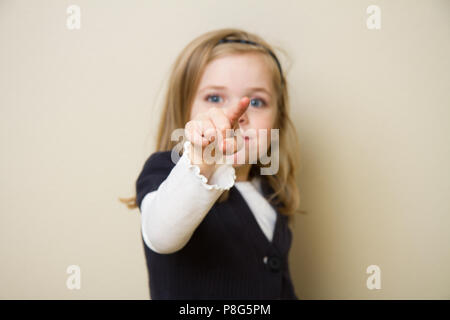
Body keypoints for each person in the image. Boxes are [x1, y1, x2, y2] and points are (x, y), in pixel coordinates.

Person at [122, 28, 302, 299]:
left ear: (277, 120)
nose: (236, 114)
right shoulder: (166, 172)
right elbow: (161, 235)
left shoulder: (271, 191)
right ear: (185, 111)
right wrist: (202, 160)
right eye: (214, 98)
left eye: (256, 101)